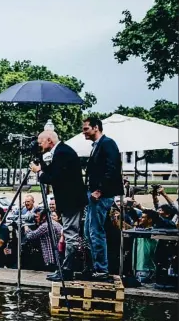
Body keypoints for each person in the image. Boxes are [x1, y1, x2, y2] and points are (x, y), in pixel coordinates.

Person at [30, 130, 88, 281]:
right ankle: (65, 268)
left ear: (49, 140)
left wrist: (39, 173)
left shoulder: (63, 153)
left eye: (41, 142)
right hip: (69, 200)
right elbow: (52, 170)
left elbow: (55, 178)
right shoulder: (60, 152)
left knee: (70, 235)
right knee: (69, 233)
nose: (39, 145)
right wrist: (40, 161)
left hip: (71, 201)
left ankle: (67, 270)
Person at [82, 117, 124, 279]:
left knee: (95, 232)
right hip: (95, 194)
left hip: (100, 195)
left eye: (86, 128)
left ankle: (101, 269)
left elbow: (112, 168)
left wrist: (99, 190)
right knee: (88, 232)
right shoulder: (100, 145)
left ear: (96, 128)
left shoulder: (107, 144)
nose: (84, 132)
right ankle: (96, 267)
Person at [25, 208, 64, 277]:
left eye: (37, 217)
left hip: (51, 258)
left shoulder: (45, 225)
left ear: (44, 216)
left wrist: (26, 229)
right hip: (58, 256)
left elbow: (31, 236)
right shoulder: (54, 223)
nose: (36, 219)